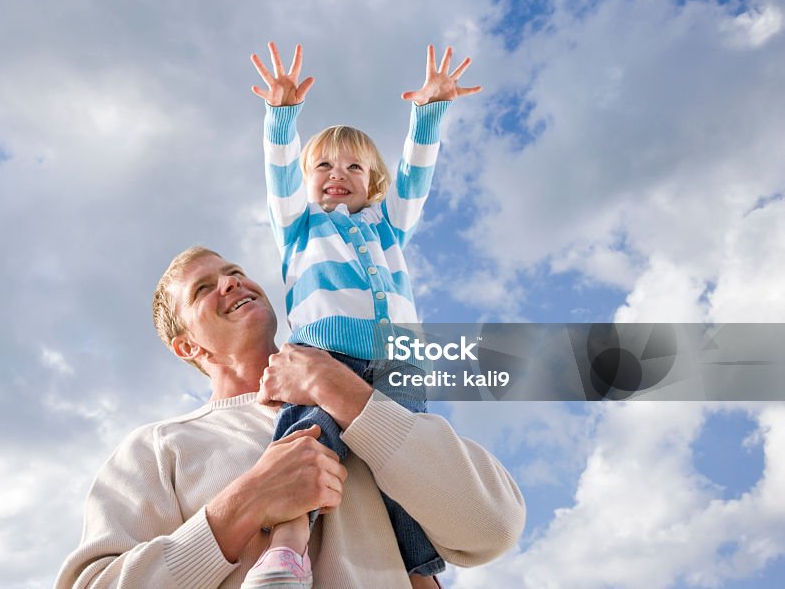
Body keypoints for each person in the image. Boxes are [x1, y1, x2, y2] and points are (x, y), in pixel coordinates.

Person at [53, 247, 525, 589]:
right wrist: (245, 503)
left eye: (234, 271)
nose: (232, 282)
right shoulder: (158, 447)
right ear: (188, 346)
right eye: (203, 288)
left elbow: (494, 526)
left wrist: (341, 390)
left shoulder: (367, 397)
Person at [241, 42, 480, 586]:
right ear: (308, 181)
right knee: (310, 432)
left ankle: (420, 574)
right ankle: (288, 541)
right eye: (323, 164)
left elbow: (415, 176)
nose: (337, 173)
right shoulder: (300, 226)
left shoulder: (388, 225)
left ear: (373, 182)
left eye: (354, 166)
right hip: (322, 351)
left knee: (406, 463)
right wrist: (281, 117)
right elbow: (279, 175)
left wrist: (429, 112)